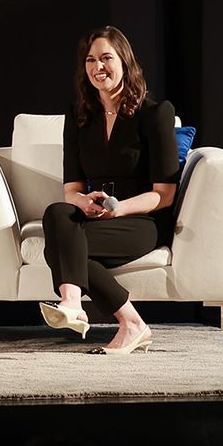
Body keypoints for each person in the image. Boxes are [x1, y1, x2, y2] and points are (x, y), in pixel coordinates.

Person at [37, 25, 179, 355]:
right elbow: (70, 189)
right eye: (90, 60)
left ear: (124, 62)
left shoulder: (155, 114)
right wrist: (83, 202)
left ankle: (103, 313)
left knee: (57, 250)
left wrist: (120, 208)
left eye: (106, 58)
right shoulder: (79, 116)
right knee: (57, 212)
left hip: (141, 220)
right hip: (95, 214)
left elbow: (164, 194)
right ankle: (96, 310)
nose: (97, 67)